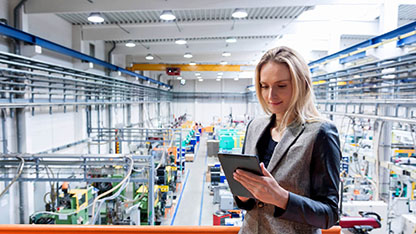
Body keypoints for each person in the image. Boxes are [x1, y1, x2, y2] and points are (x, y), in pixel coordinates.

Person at [233, 46, 341, 234]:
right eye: (264, 86)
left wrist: (281, 198)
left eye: (281, 86)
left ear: (301, 84)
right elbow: (252, 204)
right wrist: (243, 195)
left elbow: (329, 215)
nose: (270, 95)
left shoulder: (320, 133)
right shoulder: (255, 127)